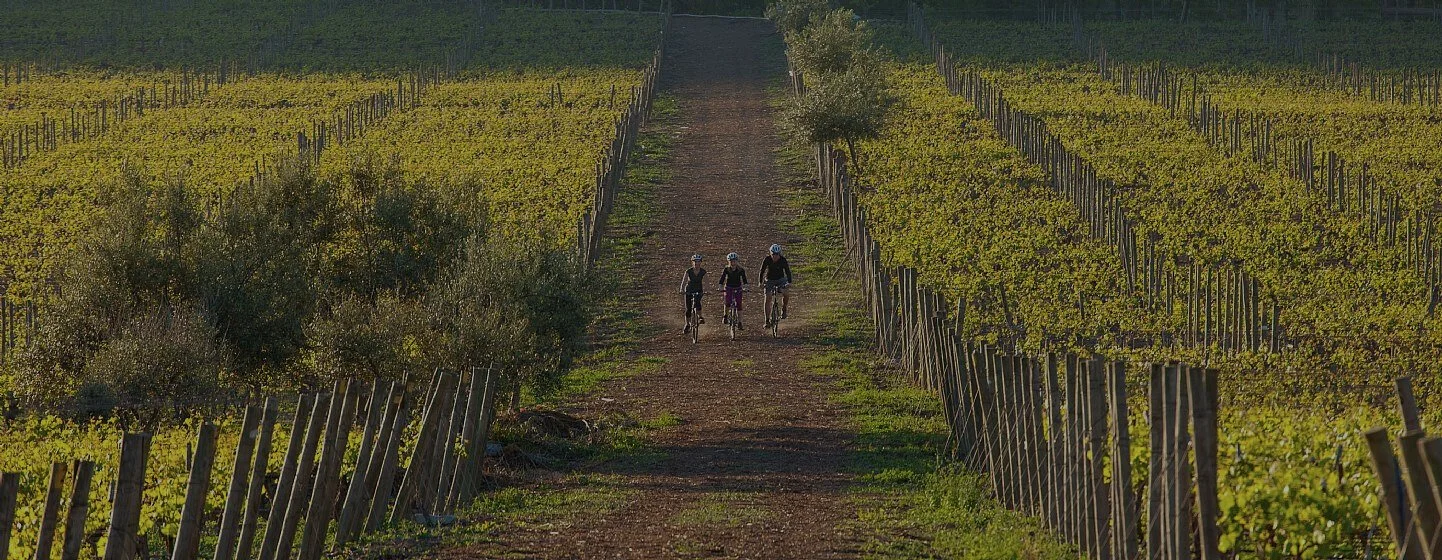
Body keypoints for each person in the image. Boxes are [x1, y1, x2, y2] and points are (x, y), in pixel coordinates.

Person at [760, 244, 792, 327]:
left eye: (777, 254)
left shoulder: (783, 260)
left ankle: (784, 308)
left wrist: (789, 282)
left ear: (779, 254)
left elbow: (787, 271)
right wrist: (760, 282)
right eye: (773, 254)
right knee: (768, 297)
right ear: (770, 253)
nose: (775, 256)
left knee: (786, 293)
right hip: (769, 280)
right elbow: (762, 271)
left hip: (780, 279)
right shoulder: (767, 259)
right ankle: (767, 320)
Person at [718, 252, 748, 326]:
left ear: (737, 261)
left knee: (739, 304)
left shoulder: (741, 270)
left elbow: (744, 280)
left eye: (734, 261)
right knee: (727, 302)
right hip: (729, 287)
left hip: (738, 287)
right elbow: (722, 279)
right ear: (729, 261)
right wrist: (720, 286)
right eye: (731, 261)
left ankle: (740, 322)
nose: (733, 263)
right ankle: (725, 316)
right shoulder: (726, 269)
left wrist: (746, 287)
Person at [679, 254, 706, 333]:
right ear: (692, 262)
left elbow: (707, 282)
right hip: (689, 290)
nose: (696, 263)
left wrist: (708, 290)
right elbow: (684, 281)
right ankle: (687, 324)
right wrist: (682, 289)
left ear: (700, 262)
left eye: (698, 262)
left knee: (697, 303)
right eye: (695, 262)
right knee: (688, 309)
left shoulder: (703, 271)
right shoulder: (688, 271)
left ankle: (700, 317)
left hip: (698, 290)